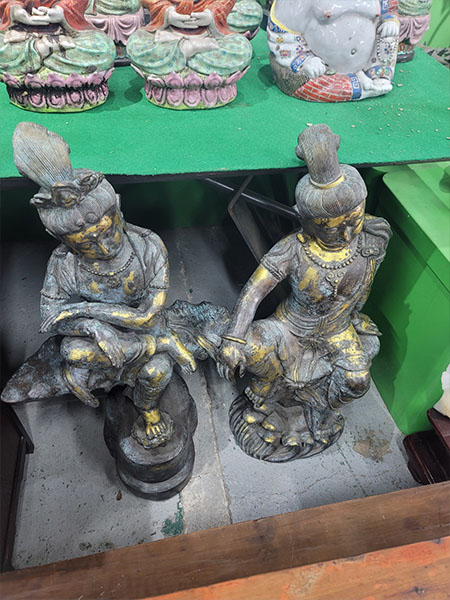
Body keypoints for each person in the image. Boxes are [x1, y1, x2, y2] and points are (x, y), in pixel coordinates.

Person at [12, 122, 196, 448]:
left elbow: (146, 315)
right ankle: (157, 346)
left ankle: (147, 408)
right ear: (64, 241)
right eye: (86, 245)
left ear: (118, 211)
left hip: (145, 328)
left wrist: (86, 309)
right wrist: (93, 327)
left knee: (157, 372)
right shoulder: (64, 263)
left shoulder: (146, 246)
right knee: (71, 350)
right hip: (107, 338)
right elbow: (50, 317)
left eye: (108, 232)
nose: (104, 246)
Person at [217, 124, 392, 460]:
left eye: (354, 220)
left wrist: (354, 316)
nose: (346, 234)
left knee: (358, 380)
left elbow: (362, 287)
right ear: (306, 221)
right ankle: (268, 396)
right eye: (332, 229)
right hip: (289, 328)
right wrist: (234, 338)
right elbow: (254, 291)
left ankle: (320, 407)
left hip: (337, 331)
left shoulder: (370, 240)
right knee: (251, 349)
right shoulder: (294, 249)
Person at [268, 0, 400, 101]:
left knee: (389, 33)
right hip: (322, 68)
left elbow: (389, 10)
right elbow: (283, 26)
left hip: (366, 63)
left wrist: (390, 20)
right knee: (307, 83)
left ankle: (375, 75)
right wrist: (305, 60)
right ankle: (355, 87)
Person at [126, 0, 252, 77]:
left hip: (208, 34)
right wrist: (168, 14)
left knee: (242, 49)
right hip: (169, 32)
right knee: (135, 44)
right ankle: (189, 49)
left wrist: (211, 15)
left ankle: (178, 55)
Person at [0, 0, 115, 76]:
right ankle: (40, 49)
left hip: (66, 32)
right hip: (22, 31)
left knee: (105, 48)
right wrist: (14, 10)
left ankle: (34, 54)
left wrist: (61, 11)